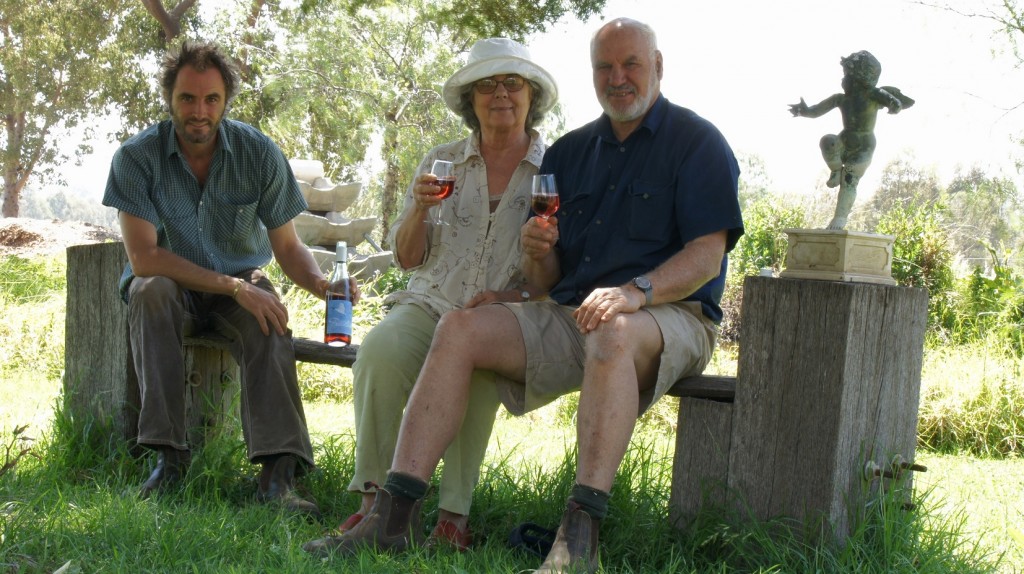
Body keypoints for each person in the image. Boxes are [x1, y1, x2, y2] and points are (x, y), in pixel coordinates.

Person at [308, 17, 744, 573]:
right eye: (604, 67)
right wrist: (538, 255)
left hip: (669, 313)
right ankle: (392, 518)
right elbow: (548, 282)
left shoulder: (698, 142)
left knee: (613, 332)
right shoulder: (571, 153)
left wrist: (636, 292)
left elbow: (707, 256)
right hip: (574, 312)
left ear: (657, 66)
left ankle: (576, 543)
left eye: (631, 64)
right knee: (460, 327)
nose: (618, 78)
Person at [302, 37, 558, 554]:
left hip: (503, 310)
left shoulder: (553, 170)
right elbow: (406, 257)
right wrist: (419, 210)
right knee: (380, 350)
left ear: (531, 95)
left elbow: (552, 278)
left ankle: (451, 518)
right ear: (470, 99)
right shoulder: (442, 160)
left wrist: (518, 285)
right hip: (430, 300)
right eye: (486, 84)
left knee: (477, 361)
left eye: (512, 82)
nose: (500, 93)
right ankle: (376, 504)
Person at [102, 39, 355, 517]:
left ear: (225, 101)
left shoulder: (258, 153)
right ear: (169, 98)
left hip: (239, 278)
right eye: (187, 98)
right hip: (172, 282)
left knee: (270, 317)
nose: (199, 111)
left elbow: (287, 247)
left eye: (211, 99)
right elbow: (145, 258)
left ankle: (278, 477)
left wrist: (322, 285)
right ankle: (167, 459)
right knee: (149, 292)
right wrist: (233, 287)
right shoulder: (136, 158)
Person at [789, 50, 914, 230]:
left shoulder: (873, 94)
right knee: (827, 141)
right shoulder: (840, 99)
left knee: (849, 178)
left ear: (859, 78)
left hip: (864, 146)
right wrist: (804, 111)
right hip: (844, 141)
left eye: (847, 75)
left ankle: (839, 218)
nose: (844, 79)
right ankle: (835, 170)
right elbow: (816, 111)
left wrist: (895, 105)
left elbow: (893, 101)